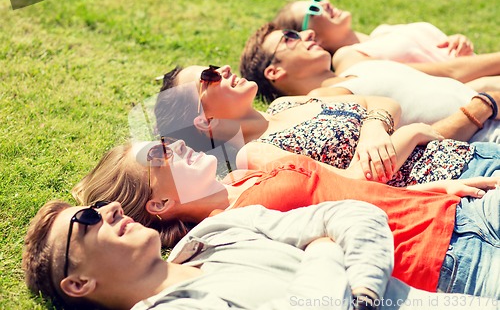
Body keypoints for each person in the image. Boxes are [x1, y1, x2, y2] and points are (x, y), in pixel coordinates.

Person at [72, 138, 500, 297]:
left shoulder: (243, 179)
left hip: (458, 211)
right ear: (159, 205)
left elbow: (345, 190)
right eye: (156, 155)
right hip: (447, 261)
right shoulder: (226, 233)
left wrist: (422, 192)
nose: (171, 145)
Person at [24, 198, 500, 310]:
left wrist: (365, 286)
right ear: (78, 283)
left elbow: (352, 214)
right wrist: (323, 255)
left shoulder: (218, 230)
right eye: (86, 220)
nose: (108, 209)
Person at [154, 64, 499, 185]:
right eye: (208, 78)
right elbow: (352, 184)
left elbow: (378, 103)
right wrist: (408, 133)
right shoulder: (258, 155)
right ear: (206, 120)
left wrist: (374, 127)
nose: (223, 70)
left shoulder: (284, 103)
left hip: (472, 152)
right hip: (457, 181)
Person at [238, 23, 500, 143]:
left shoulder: (361, 68)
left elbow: (448, 80)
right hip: (485, 138)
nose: (308, 33)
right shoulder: (319, 103)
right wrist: (482, 106)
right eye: (290, 38)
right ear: (274, 71)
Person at [272, 0, 500, 92]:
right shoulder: (352, 59)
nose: (325, 3)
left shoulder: (383, 31)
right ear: (312, 35)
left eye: (317, 0)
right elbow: (450, 73)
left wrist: (457, 42)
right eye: (314, 9)